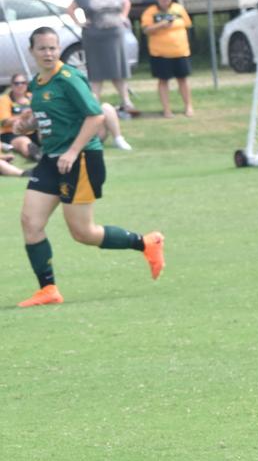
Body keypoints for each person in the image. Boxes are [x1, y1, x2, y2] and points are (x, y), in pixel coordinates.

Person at [12, 27, 164, 308]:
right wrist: (27, 124)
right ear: (31, 51)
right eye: (42, 48)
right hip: (51, 160)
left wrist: (72, 151)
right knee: (30, 222)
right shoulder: (36, 84)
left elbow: (95, 117)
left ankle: (146, 243)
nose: (48, 53)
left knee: (83, 233)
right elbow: (46, 115)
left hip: (80, 159)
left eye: (53, 48)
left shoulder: (69, 79)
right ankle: (48, 290)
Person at [67, 0, 138, 115]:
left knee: (118, 69)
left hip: (115, 36)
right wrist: (79, 22)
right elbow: (71, 9)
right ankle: (94, 103)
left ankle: (126, 101)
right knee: (96, 71)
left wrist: (123, 16)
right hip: (94, 37)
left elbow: (126, 2)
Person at [140, 0, 194, 118]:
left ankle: (188, 106)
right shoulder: (150, 12)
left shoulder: (178, 9)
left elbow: (188, 24)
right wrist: (161, 25)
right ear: (158, 0)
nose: (167, 2)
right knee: (163, 81)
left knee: (183, 79)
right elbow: (146, 30)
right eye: (164, 0)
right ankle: (167, 110)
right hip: (160, 54)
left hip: (180, 51)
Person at [1, 74, 42, 161]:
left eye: (23, 83)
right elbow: (4, 122)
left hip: (32, 130)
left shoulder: (31, 97)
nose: (20, 86)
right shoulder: (5, 99)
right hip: (12, 134)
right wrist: (22, 116)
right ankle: (38, 158)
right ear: (11, 85)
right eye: (17, 83)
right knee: (24, 142)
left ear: (27, 85)